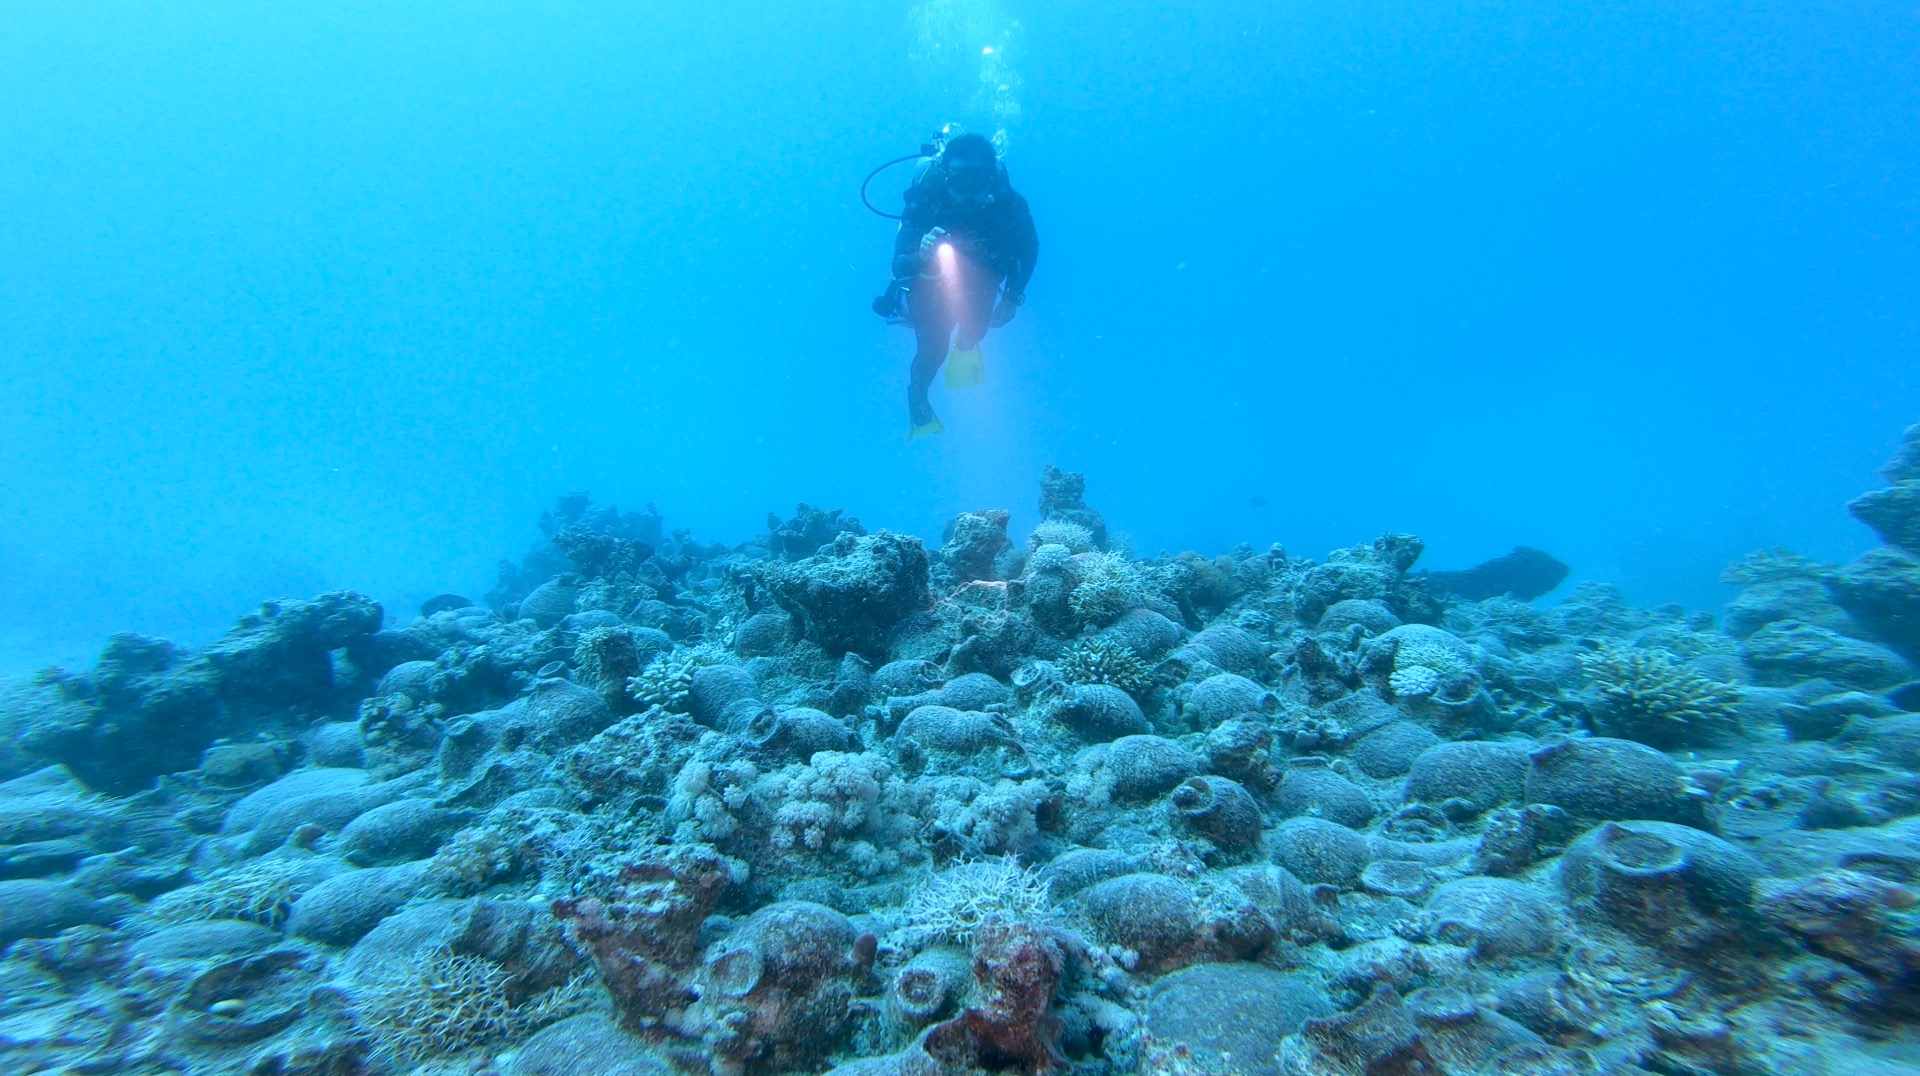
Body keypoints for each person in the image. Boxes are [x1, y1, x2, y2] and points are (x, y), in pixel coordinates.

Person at [872, 132, 1038, 439]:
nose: (970, 193)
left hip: (982, 281)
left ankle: (965, 347)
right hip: (930, 286)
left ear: (992, 175)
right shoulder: (925, 201)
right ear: (947, 175)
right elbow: (898, 265)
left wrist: (1012, 297)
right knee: (933, 349)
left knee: (975, 332)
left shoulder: (1009, 204)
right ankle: (918, 394)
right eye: (961, 180)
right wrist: (920, 253)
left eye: (978, 180)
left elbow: (1029, 249)